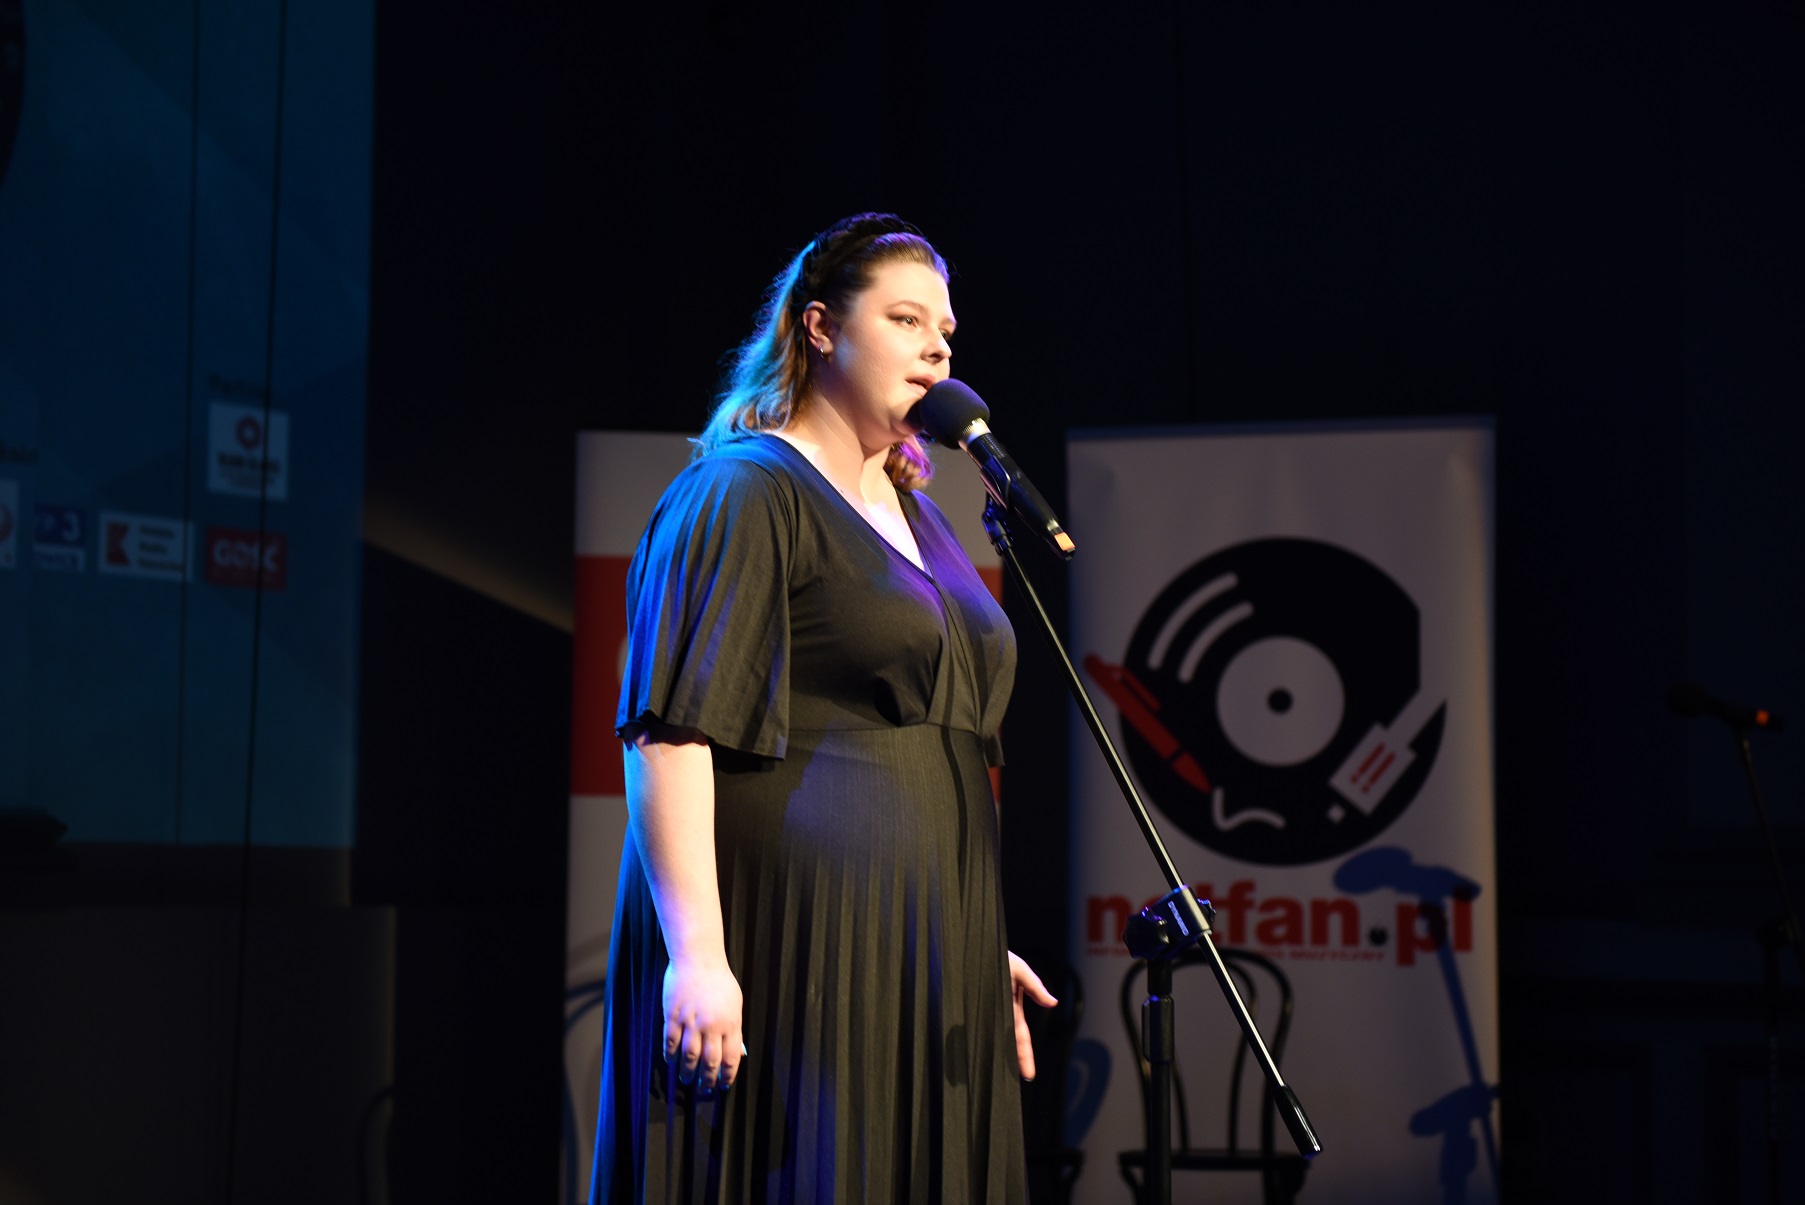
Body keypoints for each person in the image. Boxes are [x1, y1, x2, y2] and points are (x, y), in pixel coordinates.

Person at [590, 212, 1054, 1204]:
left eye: (946, 329)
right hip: (795, 933)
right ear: (819, 328)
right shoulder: (745, 491)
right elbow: (671, 730)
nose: (937, 347)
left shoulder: (919, 514)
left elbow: (933, 744)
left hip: (926, 941)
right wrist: (697, 956)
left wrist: (966, 937)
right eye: (905, 318)